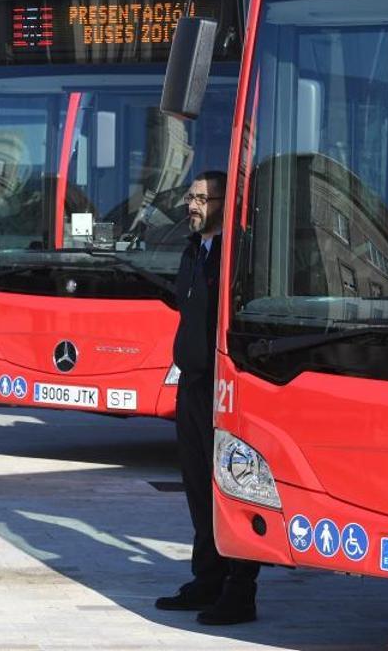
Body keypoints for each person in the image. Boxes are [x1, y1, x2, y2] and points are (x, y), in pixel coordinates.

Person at [156, 171, 260, 626]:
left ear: (223, 202)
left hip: (227, 386)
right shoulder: (192, 248)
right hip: (193, 386)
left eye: (201, 198)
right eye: (190, 197)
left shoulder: (238, 252)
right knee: (198, 486)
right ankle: (207, 578)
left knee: (232, 487)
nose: (191, 205)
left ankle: (241, 590)